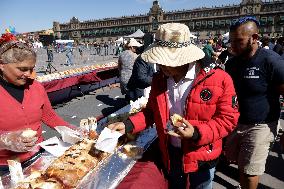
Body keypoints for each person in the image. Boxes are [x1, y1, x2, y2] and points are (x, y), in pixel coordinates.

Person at [109, 23, 239, 189]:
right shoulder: (159, 79)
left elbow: (228, 119)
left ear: (184, 58)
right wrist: (128, 125)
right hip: (171, 153)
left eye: (165, 61)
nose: (160, 66)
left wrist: (197, 133)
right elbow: (151, 112)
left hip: (201, 155)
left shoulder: (219, 79)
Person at [0, 34, 79, 176]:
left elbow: (49, 116)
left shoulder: (36, 87)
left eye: (31, 68)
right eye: (23, 69)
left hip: (38, 156)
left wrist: (72, 130)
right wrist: (4, 140)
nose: (29, 74)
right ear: (2, 65)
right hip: (4, 167)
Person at [224, 16, 284, 189]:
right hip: (236, 123)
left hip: (261, 125)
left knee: (250, 172)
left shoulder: (272, 61)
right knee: (238, 165)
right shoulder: (232, 63)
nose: (233, 46)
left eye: (239, 41)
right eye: (231, 41)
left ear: (255, 38)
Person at [118, 38, 142, 102]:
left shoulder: (121, 54)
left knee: (127, 94)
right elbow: (138, 68)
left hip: (123, 77)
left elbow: (119, 67)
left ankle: (127, 102)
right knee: (133, 97)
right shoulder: (135, 56)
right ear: (131, 47)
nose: (136, 49)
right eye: (135, 47)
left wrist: (122, 73)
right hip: (131, 79)